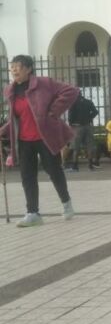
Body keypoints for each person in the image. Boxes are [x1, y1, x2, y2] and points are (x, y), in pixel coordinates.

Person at [0, 54, 78, 227]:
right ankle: (33, 213)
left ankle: (66, 203)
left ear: (29, 69)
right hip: (24, 140)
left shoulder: (44, 83)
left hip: (45, 138)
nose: (14, 70)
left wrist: (53, 111)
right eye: (12, 67)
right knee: (27, 176)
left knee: (54, 171)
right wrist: (3, 131)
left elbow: (71, 91)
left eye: (18, 67)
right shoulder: (11, 91)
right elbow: (15, 119)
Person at [66, 93, 99, 171]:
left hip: (77, 126)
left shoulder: (73, 102)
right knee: (89, 145)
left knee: (76, 147)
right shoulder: (88, 102)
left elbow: (70, 115)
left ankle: (75, 166)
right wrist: (89, 118)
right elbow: (95, 112)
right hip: (88, 126)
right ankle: (90, 165)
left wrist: (71, 123)